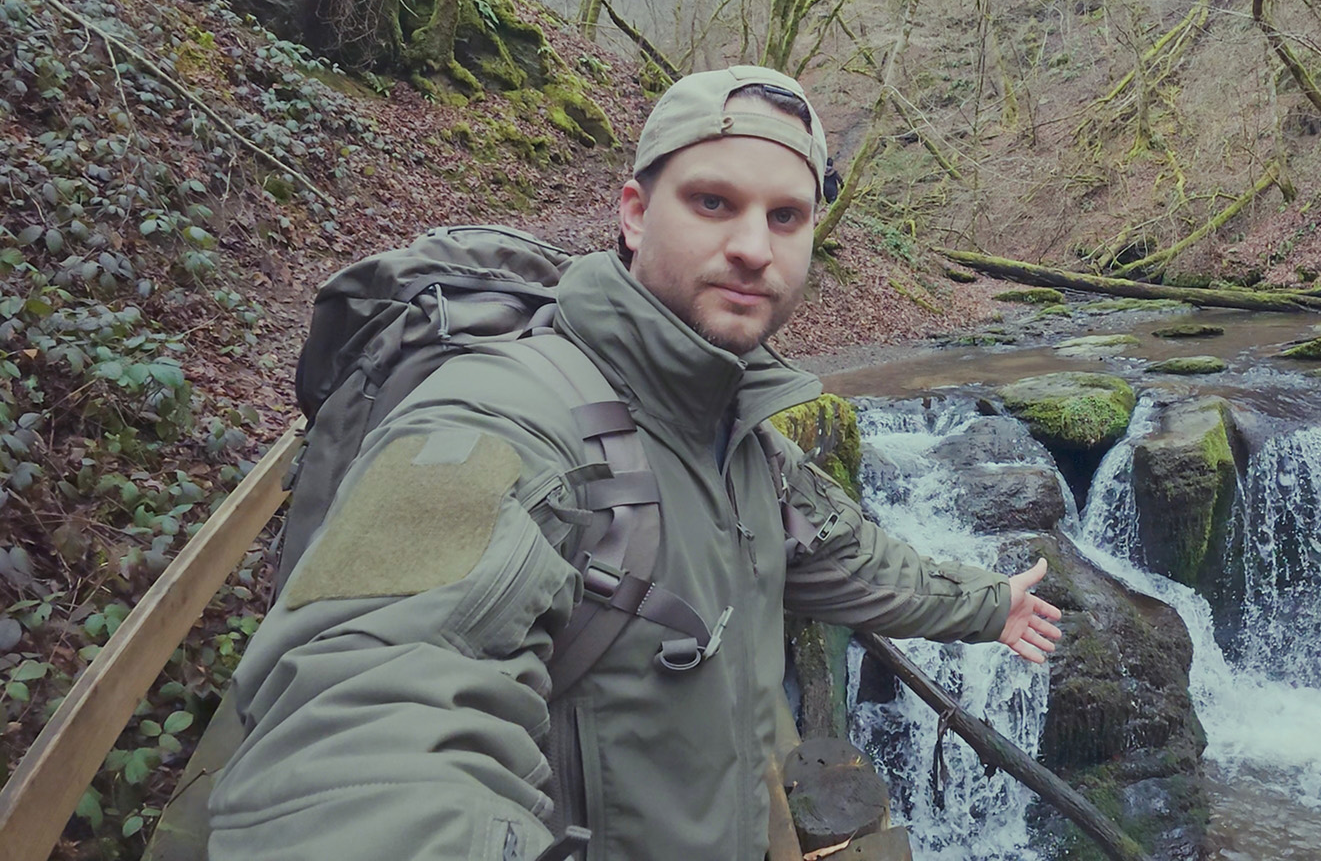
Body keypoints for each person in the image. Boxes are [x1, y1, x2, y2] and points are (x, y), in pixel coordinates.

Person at [205, 65, 1063, 861]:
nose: (754, 248)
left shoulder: (731, 427)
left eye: (785, 217)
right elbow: (367, 729)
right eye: (714, 202)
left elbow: (836, 551)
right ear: (634, 213)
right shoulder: (504, 418)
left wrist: (987, 605)